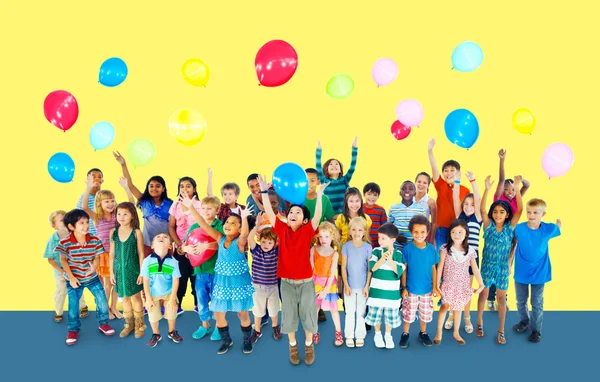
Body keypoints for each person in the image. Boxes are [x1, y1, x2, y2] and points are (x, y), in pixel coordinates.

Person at [257, 174, 328, 366]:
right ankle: (293, 347)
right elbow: (270, 213)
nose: (293, 214)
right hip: (286, 283)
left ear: (305, 220)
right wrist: (264, 191)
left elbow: (318, 215)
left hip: (305, 283)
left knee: (308, 316)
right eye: (291, 212)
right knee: (289, 317)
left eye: (298, 212)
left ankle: (308, 345)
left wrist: (320, 195)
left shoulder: (307, 231)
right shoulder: (281, 228)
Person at [180, 193, 256, 355]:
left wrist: (243, 218)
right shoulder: (220, 238)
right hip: (221, 282)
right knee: (218, 314)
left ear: (239, 227)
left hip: (238, 283)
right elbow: (202, 224)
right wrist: (192, 207)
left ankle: (247, 339)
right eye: (227, 222)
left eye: (233, 223)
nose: (228, 224)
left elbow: (244, 234)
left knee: (242, 314)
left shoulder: (240, 242)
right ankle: (226, 340)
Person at [55, 209, 115, 345]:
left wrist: (94, 266)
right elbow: (63, 260)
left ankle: (103, 323)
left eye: (87, 222)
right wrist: (71, 277)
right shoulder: (65, 242)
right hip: (74, 279)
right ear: (71, 227)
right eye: (81, 223)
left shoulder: (94, 240)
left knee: (102, 300)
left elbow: (97, 256)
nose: (86, 225)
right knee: (73, 305)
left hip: (92, 278)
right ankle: (73, 329)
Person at [476, 175, 523, 345]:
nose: (498, 214)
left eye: (501, 212)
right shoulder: (488, 226)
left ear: (507, 214)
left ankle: (501, 330)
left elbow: (519, 211)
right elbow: (482, 211)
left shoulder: (510, 228)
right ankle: (479, 323)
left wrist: (517, 189)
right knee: (484, 295)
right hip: (487, 266)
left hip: (503, 267)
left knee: (501, 299)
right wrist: (487, 189)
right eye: (495, 212)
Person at [82, 175, 134, 319]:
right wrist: (88, 188)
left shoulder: (117, 215)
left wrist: (126, 188)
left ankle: (113, 307)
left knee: (117, 283)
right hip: (104, 255)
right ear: (99, 203)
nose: (111, 204)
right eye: (107, 201)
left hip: (117, 253)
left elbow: (131, 205)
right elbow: (85, 207)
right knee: (107, 284)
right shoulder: (96, 217)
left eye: (112, 200)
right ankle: (105, 309)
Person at [512, 199, 561, 343]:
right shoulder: (519, 229)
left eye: (535, 212)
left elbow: (558, 228)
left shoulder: (548, 229)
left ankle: (536, 330)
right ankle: (524, 321)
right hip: (521, 271)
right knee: (521, 300)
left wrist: (558, 223)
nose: (531, 215)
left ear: (543, 214)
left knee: (537, 302)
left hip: (539, 272)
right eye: (528, 212)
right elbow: (512, 242)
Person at [488, 149, 531, 310]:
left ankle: (502, 297)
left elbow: (527, 185)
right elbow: (500, 180)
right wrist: (502, 160)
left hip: (511, 238)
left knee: (506, 268)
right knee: (495, 265)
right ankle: (491, 298)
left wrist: (519, 181)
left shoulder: (516, 197)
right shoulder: (499, 199)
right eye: (508, 189)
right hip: (497, 236)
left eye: (513, 190)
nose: (511, 192)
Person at [434, 219, 484, 345]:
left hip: (462, 285)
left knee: (458, 309)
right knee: (444, 307)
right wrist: (436, 285)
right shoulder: (445, 248)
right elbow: (439, 267)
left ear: (466, 234)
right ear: (450, 233)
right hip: (448, 284)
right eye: (454, 232)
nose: (457, 235)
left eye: (460, 232)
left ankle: (456, 332)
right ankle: (438, 332)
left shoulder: (470, 251)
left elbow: (475, 268)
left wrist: (481, 283)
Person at [114, 151, 173, 257]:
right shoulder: (144, 201)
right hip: (147, 245)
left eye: (158, 186)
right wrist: (123, 164)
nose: (154, 188)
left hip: (165, 245)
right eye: (151, 186)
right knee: (147, 271)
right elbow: (130, 185)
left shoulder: (170, 204)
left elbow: (174, 225)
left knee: (166, 271)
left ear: (163, 189)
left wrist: (173, 241)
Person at [444, 170, 482, 333]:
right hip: (455, 258)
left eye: (471, 205)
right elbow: (455, 198)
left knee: (466, 290)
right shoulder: (460, 217)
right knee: (453, 288)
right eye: (466, 204)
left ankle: (466, 317)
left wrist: (473, 181)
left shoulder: (478, 218)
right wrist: (458, 182)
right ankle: (452, 315)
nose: (468, 207)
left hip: (471, 259)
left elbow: (478, 199)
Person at [183, 196, 223, 341]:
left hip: (217, 271)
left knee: (217, 300)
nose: (206, 211)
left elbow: (222, 244)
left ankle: (220, 326)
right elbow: (183, 246)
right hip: (199, 271)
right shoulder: (194, 227)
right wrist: (186, 247)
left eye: (209, 208)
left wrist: (207, 245)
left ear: (217, 210)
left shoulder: (220, 226)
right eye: (203, 208)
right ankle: (205, 325)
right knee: (201, 299)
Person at [399, 215, 439, 349]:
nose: (419, 235)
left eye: (422, 232)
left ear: (427, 232)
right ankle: (405, 333)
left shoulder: (431, 250)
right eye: (416, 232)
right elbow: (404, 269)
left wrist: (434, 287)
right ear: (411, 232)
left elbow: (434, 268)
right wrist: (403, 287)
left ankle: (423, 332)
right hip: (411, 289)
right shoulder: (407, 249)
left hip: (427, 289)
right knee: (408, 313)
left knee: (425, 313)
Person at [365, 223, 405, 349]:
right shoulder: (376, 251)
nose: (380, 240)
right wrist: (382, 258)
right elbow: (372, 268)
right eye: (379, 237)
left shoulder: (398, 254)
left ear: (393, 240)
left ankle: (388, 335)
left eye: (383, 238)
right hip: (376, 293)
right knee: (375, 316)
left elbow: (398, 272)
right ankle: (377, 334)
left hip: (392, 294)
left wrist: (390, 260)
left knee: (390, 318)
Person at [109, 202, 145, 338]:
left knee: (136, 297)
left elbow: (141, 254)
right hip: (118, 271)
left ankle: (140, 325)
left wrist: (142, 272)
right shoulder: (113, 232)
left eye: (125, 214)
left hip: (133, 270)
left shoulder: (136, 233)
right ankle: (129, 324)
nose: (121, 217)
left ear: (132, 216)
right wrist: (111, 272)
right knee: (124, 298)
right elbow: (111, 254)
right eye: (119, 214)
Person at [44, 210, 87, 322]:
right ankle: (58, 311)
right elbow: (50, 259)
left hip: (75, 270)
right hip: (60, 272)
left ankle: (83, 306)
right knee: (61, 292)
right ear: (54, 225)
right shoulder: (52, 241)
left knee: (78, 288)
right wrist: (62, 272)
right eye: (62, 220)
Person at [427, 139, 469, 251]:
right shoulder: (441, 185)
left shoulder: (465, 190)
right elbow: (434, 169)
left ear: (458, 173)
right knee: (440, 258)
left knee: (455, 257)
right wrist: (430, 151)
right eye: (446, 170)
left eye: (452, 170)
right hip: (442, 229)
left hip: (458, 230)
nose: (449, 173)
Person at [141, 233, 182, 347]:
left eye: (165, 237)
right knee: (152, 313)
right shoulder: (147, 261)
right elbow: (146, 281)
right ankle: (156, 333)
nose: (161, 238)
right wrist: (148, 298)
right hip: (153, 293)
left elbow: (175, 281)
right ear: (152, 245)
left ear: (170, 246)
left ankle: (171, 331)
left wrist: (173, 298)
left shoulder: (173, 261)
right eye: (158, 237)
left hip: (169, 292)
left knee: (172, 311)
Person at [168, 176, 201, 314]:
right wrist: (180, 245)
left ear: (194, 189)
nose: (185, 188)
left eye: (188, 186)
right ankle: (178, 304)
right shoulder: (175, 205)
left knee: (197, 278)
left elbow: (204, 226)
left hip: (197, 248)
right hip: (180, 249)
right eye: (182, 186)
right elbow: (171, 227)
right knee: (180, 278)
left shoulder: (200, 205)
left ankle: (199, 304)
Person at [247, 225, 282, 343]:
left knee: (273, 309)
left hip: (273, 287)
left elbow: (285, 241)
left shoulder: (276, 252)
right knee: (257, 310)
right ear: (259, 240)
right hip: (258, 287)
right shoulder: (256, 250)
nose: (266, 245)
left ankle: (275, 326)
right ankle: (257, 330)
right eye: (263, 241)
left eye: (269, 242)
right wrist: (256, 224)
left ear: (274, 243)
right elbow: (250, 238)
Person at [311, 222, 343, 346]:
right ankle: (314, 331)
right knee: (315, 309)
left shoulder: (334, 254)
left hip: (329, 284)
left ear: (332, 237)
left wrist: (325, 290)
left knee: (334, 310)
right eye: (320, 236)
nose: (323, 239)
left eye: (326, 236)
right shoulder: (313, 250)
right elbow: (311, 268)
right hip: (315, 282)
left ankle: (338, 333)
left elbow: (331, 273)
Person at [341, 217, 371, 347]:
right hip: (350, 287)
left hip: (362, 287)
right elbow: (343, 267)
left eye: (359, 230)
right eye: (353, 229)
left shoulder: (368, 247)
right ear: (349, 231)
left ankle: (360, 335)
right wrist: (346, 285)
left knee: (361, 313)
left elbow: (370, 269)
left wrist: (367, 287)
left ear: (364, 231)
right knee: (349, 312)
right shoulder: (346, 246)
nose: (356, 232)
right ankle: (349, 335)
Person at [316, 136, 358, 215]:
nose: (334, 165)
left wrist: (354, 148)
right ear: (326, 170)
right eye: (331, 164)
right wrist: (319, 151)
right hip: (329, 216)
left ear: (340, 170)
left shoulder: (344, 180)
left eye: (336, 164)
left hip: (343, 215)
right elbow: (318, 166)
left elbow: (352, 166)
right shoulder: (324, 181)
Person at [388, 180, 426, 250]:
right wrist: (396, 236)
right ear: (400, 193)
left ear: (415, 193)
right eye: (404, 189)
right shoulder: (393, 208)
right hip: (397, 246)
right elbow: (389, 226)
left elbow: (423, 227)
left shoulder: (420, 209)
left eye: (411, 189)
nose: (407, 191)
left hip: (414, 246)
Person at [414, 172, 437, 244]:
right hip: (409, 234)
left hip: (423, 236)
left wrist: (432, 240)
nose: (421, 184)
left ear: (428, 185)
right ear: (415, 182)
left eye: (424, 183)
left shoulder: (430, 202)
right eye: (419, 181)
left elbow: (434, 223)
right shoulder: (409, 198)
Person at [362, 182, 387, 248]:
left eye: (375, 195)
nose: (371, 197)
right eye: (369, 194)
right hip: (362, 242)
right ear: (364, 194)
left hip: (377, 243)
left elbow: (385, 227)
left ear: (378, 196)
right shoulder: (359, 208)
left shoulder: (381, 210)